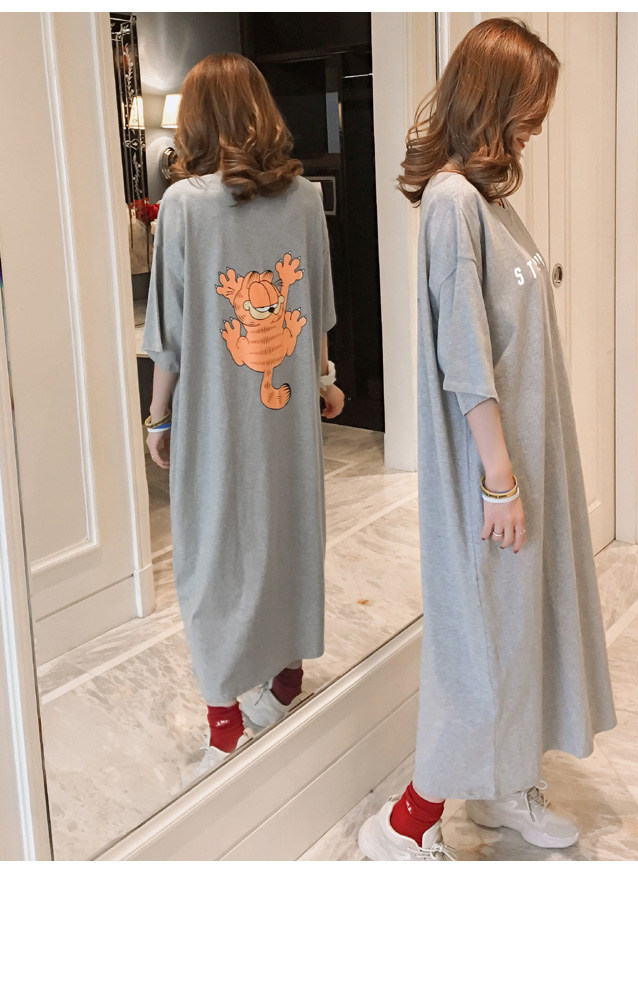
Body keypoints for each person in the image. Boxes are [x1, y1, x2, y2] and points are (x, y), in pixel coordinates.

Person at [358, 18, 616, 861]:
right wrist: (499, 479)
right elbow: (465, 357)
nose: (538, 123)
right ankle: (406, 824)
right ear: (492, 98)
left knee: (520, 628)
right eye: (529, 105)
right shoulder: (452, 203)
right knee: (482, 641)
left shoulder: (490, 199)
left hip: (524, 457)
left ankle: (503, 785)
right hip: (490, 467)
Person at [142, 53, 345, 781]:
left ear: (196, 120)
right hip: (286, 413)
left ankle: (224, 722)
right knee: (286, 532)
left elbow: (170, 331)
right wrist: (323, 380)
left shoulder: (183, 206)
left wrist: (158, 417)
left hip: (216, 418)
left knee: (213, 552)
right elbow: (315, 306)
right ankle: (283, 680)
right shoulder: (302, 198)